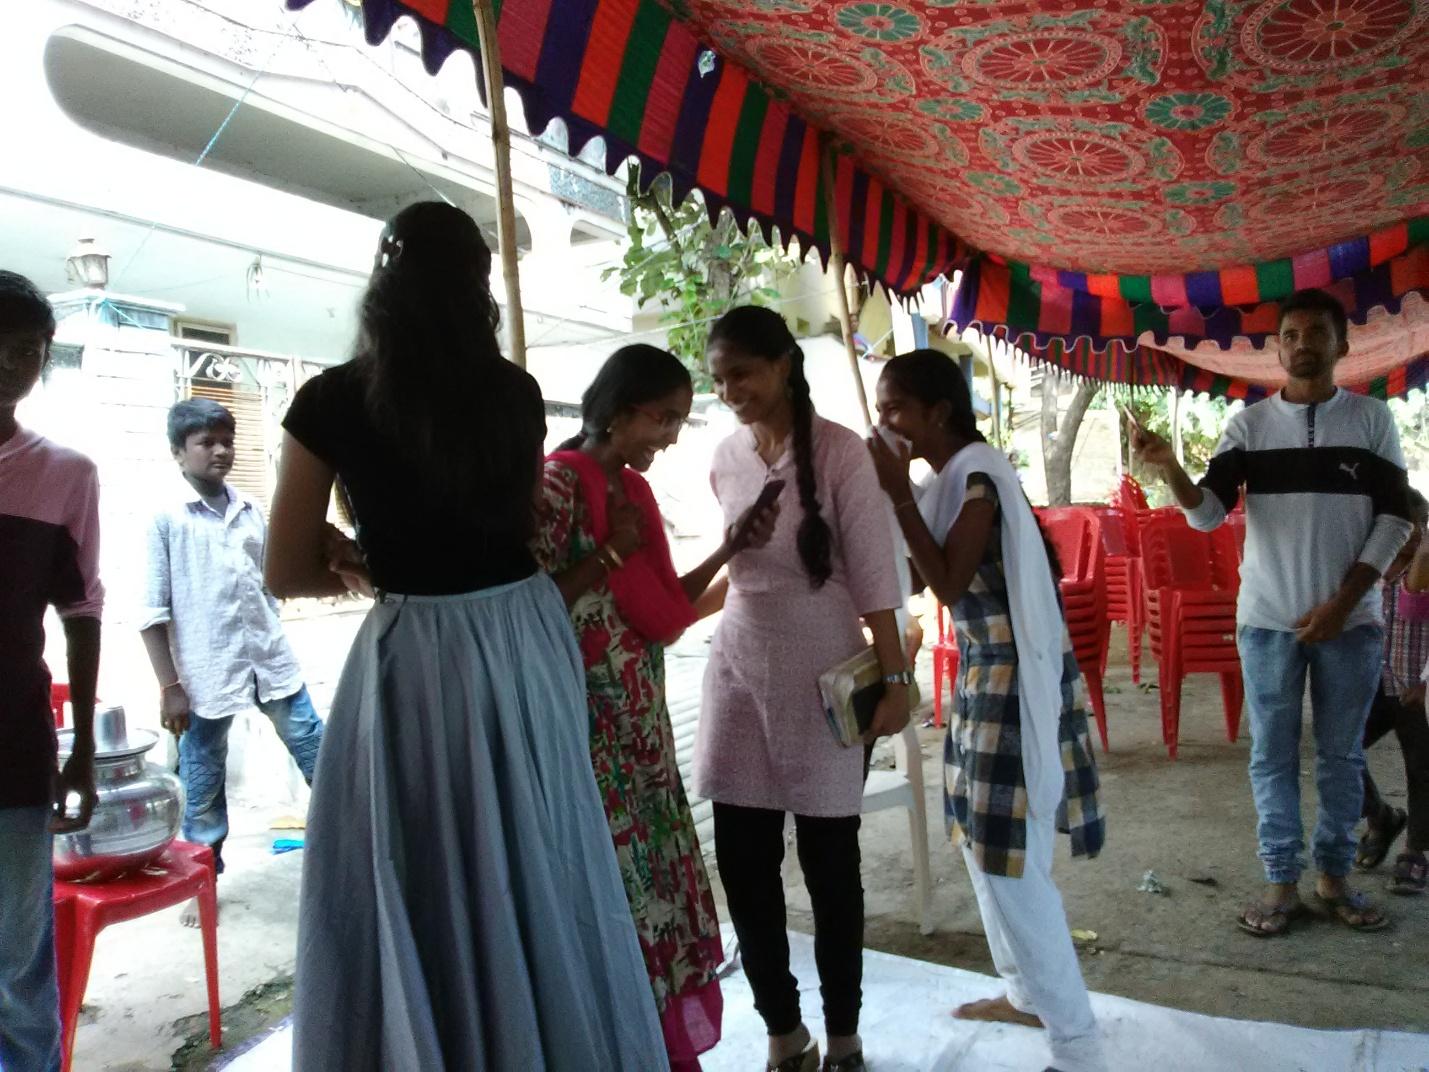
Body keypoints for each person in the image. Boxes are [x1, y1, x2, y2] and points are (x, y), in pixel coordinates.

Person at [264, 201, 666, 1070]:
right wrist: (381, 556)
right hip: (523, 635)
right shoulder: (514, 395)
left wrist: (352, 557)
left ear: (383, 285)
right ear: (479, 288)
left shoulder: (332, 399)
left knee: (434, 868)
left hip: (420, 656)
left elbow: (283, 570)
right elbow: (491, 537)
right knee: (535, 852)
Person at [1133, 287, 1413, 936]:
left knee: (1340, 756)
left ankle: (1333, 877)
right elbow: (1206, 515)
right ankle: (1280, 880)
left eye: (1315, 332)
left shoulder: (1370, 421)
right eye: (1288, 334)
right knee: (1271, 756)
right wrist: (1172, 470)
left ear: (1341, 346)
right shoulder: (1248, 428)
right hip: (1265, 624)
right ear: (1276, 348)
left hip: (1352, 626)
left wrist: (1342, 604)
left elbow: (1396, 518)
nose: (1301, 343)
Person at [534, 344, 777, 1072]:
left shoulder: (630, 494)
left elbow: (666, 608)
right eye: (661, 418)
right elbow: (531, 610)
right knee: (612, 896)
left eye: (677, 420)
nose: (669, 437)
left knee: (654, 891)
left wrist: (734, 547)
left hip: (640, 732)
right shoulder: (555, 487)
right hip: (587, 733)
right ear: (617, 407)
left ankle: (655, 1047)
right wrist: (607, 556)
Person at [867, 349, 1106, 1072]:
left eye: (895, 410)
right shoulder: (947, 479)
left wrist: (895, 493)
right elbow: (910, 570)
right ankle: (1023, 994)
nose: (885, 425)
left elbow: (944, 578)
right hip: (984, 674)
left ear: (937, 412)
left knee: (1010, 862)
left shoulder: (975, 476)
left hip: (1014, 678)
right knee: (979, 842)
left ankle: (1075, 1044)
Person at [693, 306, 909, 1072]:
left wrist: (896, 677)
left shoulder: (843, 454)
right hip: (739, 671)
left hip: (822, 672)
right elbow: (733, 570)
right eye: (718, 379)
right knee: (744, 867)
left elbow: (878, 578)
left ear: (783, 364)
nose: (730, 391)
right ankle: (784, 1033)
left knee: (829, 864)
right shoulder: (723, 455)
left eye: (741, 374)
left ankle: (844, 1035)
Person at [139, 398, 325, 922]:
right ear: (179, 454)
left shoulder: (249, 511)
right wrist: (168, 685)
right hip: (203, 675)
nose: (220, 451)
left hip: (270, 662)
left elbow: (269, 580)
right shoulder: (165, 519)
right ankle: (204, 881)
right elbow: (151, 612)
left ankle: (352, 854)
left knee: (321, 755)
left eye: (227, 441)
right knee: (203, 780)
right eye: (206, 443)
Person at [0, 270, 102, 1072]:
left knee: (16, 966)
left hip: (13, 751)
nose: (10, 363)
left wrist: (80, 752)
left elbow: (83, 612)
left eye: (28, 350)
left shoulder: (66, 475)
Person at [1355, 489, 1427, 895]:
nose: (1414, 535)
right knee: (1344, 751)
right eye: (1403, 528)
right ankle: (1381, 816)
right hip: (1373, 685)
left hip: (1417, 689)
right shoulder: (1368, 573)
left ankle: (1416, 852)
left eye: (1420, 526)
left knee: (1422, 767)